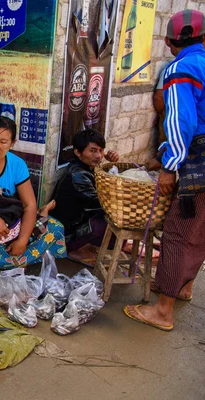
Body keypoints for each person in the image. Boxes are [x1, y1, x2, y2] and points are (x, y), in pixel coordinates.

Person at [125, 9, 205, 331]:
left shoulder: (181, 68)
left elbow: (180, 122)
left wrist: (170, 165)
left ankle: (162, 311)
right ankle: (183, 287)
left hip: (198, 163)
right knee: (200, 232)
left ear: (171, 42)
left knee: (177, 233)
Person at [0, 117, 67, 290]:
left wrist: (22, 240)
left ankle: (12, 256)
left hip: (7, 215)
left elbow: (29, 205)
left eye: (2, 141)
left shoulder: (17, 165)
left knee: (54, 228)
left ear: (12, 143)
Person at [50, 129, 119, 260]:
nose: (98, 156)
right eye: (92, 151)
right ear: (78, 152)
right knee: (109, 220)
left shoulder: (87, 168)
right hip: (65, 234)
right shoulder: (79, 175)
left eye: (101, 150)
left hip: (76, 223)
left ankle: (84, 244)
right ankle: (75, 249)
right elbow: (102, 203)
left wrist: (111, 165)